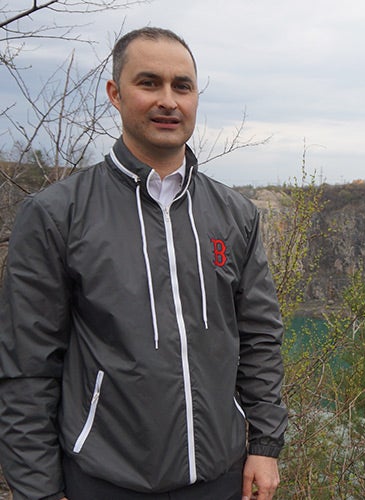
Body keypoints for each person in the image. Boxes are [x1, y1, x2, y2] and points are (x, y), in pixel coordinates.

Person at [0, 27, 287, 500]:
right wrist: (39, 492)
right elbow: (26, 369)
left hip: (221, 477)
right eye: (149, 83)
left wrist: (266, 444)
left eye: (182, 86)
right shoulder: (58, 214)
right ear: (115, 93)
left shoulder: (235, 215)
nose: (168, 101)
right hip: (104, 481)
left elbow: (260, 340)